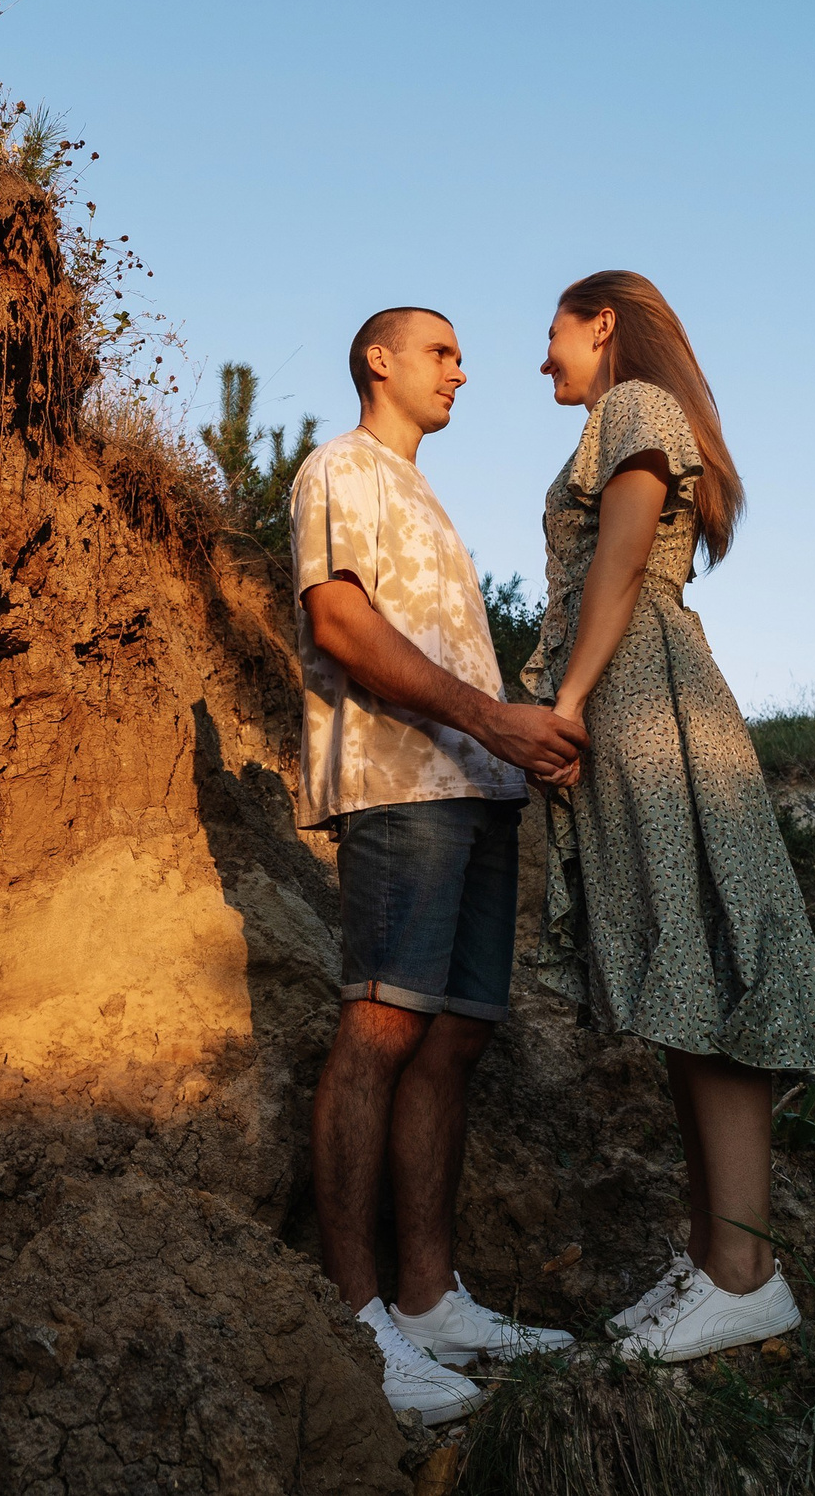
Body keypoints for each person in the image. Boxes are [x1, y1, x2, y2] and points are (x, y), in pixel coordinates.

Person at [522, 270, 815, 1363]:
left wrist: (571, 699)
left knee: (706, 967)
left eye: (553, 333)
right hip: (643, 690)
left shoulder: (634, 405)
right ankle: (717, 1258)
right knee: (687, 974)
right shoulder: (635, 413)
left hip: (643, 693)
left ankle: (745, 1275)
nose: (542, 358)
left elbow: (622, 552)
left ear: (603, 323)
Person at [290, 305, 585, 1425]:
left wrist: (513, 740)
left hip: (477, 790)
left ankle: (428, 1300)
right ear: (380, 359)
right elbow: (341, 625)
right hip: (399, 785)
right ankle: (355, 1316)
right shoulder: (341, 467)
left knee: (454, 1040)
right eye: (441, 351)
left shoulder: (422, 493)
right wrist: (494, 719)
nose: (462, 371)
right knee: (381, 1026)